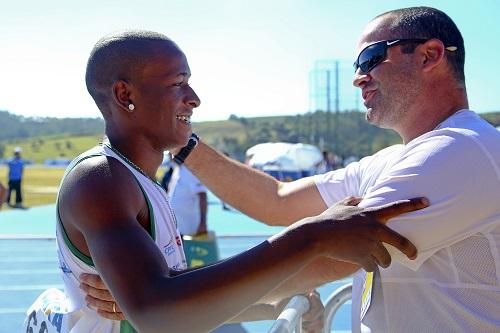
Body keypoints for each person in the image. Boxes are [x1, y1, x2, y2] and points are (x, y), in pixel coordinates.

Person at [83, 7, 500, 332]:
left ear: (430, 55)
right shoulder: (400, 159)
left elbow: (333, 257)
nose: (359, 77)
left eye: (371, 58)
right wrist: (183, 141)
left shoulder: (460, 151)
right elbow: (278, 201)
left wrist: (167, 297)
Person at [24, 30, 427, 333]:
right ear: (124, 94)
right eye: (177, 82)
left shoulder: (137, 178)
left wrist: (271, 304)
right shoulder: (101, 178)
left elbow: (172, 292)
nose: (194, 97)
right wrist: (311, 236)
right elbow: (158, 312)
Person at [169, 160, 208, 236]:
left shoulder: (192, 171)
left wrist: (203, 223)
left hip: (191, 231)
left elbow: (203, 196)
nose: (170, 155)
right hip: (176, 230)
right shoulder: (176, 169)